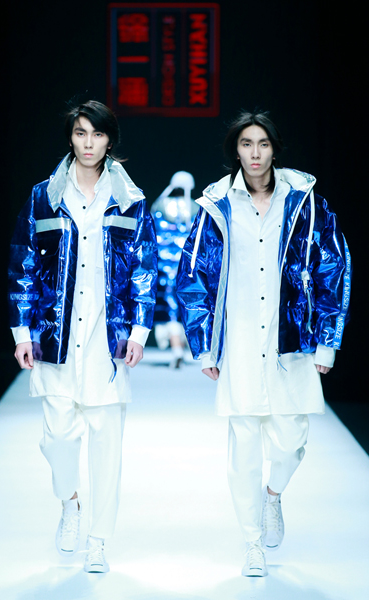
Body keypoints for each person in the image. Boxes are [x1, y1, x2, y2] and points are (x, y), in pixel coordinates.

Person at [176, 110, 351, 577]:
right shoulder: (216, 204)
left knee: (292, 441)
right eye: (246, 144)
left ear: (275, 149)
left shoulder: (304, 201)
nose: (255, 153)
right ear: (236, 151)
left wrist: (327, 341)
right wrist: (204, 345)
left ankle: (273, 495)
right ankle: (252, 541)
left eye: (263, 144)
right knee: (244, 449)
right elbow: (193, 275)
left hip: (289, 338)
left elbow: (334, 266)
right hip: (237, 340)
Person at [8, 100, 158, 573]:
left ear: (110, 139)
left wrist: (139, 331)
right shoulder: (44, 197)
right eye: (80, 133)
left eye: (97, 134)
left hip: (107, 339)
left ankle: (98, 540)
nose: (88, 143)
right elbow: (23, 264)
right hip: (56, 336)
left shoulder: (130, 199)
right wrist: (22, 331)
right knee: (57, 438)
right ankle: (69, 501)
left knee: (107, 446)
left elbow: (144, 267)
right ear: (71, 137)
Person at [151, 171, 198, 368]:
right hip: (188, 269)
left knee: (169, 308)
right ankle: (182, 348)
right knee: (185, 307)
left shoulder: (159, 206)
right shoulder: (195, 208)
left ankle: (177, 349)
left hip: (164, 269)